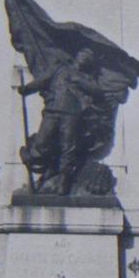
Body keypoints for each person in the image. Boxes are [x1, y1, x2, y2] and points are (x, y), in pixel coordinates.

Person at [18, 49, 109, 194]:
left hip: (72, 114)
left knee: (68, 147)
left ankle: (63, 181)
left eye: (89, 57)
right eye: (83, 54)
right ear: (77, 55)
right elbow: (42, 81)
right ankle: (34, 160)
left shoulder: (85, 77)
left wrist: (80, 82)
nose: (85, 57)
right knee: (42, 142)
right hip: (52, 110)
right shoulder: (60, 69)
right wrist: (27, 89)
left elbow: (96, 90)